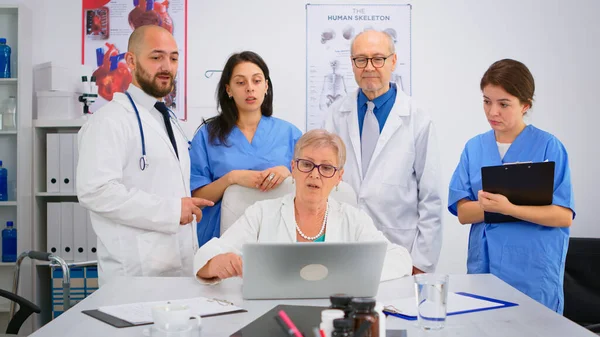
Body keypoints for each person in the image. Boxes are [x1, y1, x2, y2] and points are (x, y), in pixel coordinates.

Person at [77, 25, 213, 286]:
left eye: (173, 58)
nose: (167, 66)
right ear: (130, 61)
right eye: (156, 57)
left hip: (178, 266)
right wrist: (171, 210)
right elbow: (95, 191)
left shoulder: (167, 119)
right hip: (135, 273)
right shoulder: (110, 121)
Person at [193, 129, 413, 283]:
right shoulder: (261, 214)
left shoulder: (352, 219)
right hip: (272, 317)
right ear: (293, 168)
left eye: (326, 168)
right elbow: (205, 258)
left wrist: (350, 273)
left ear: (339, 177)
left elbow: (401, 259)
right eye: (306, 164)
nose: (315, 174)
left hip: (334, 318)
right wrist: (215, 264)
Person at [448, 59, 575, 313]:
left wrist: (508, 208)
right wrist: (496, 207)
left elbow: (563, 216)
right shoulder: (474, 148)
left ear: (525, 105)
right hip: (484, 269)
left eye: (504, 104)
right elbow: (463, 213)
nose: (492, 112)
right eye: (487, 101)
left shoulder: (549, 147)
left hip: (533, 273)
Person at [324, 30, 442, 274]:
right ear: (352, 63)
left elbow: (431, 197)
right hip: (342, 247)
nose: (369, 67)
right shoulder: (336, 115)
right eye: (361, 59)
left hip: (400, 250)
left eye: (378, 59)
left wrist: (420, 263)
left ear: (393, 61)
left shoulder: (417, 119)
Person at [190, 51, 302, 246]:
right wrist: (231, 179)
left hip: (278, 237)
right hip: (221, 236)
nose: (250, 88)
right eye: (240, 83)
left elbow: (313, 186)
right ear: (229, 90)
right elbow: (197, 197)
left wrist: (288, 174)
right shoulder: (207, 135)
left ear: (266, 86)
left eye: (257, 81)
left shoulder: (290, 133)